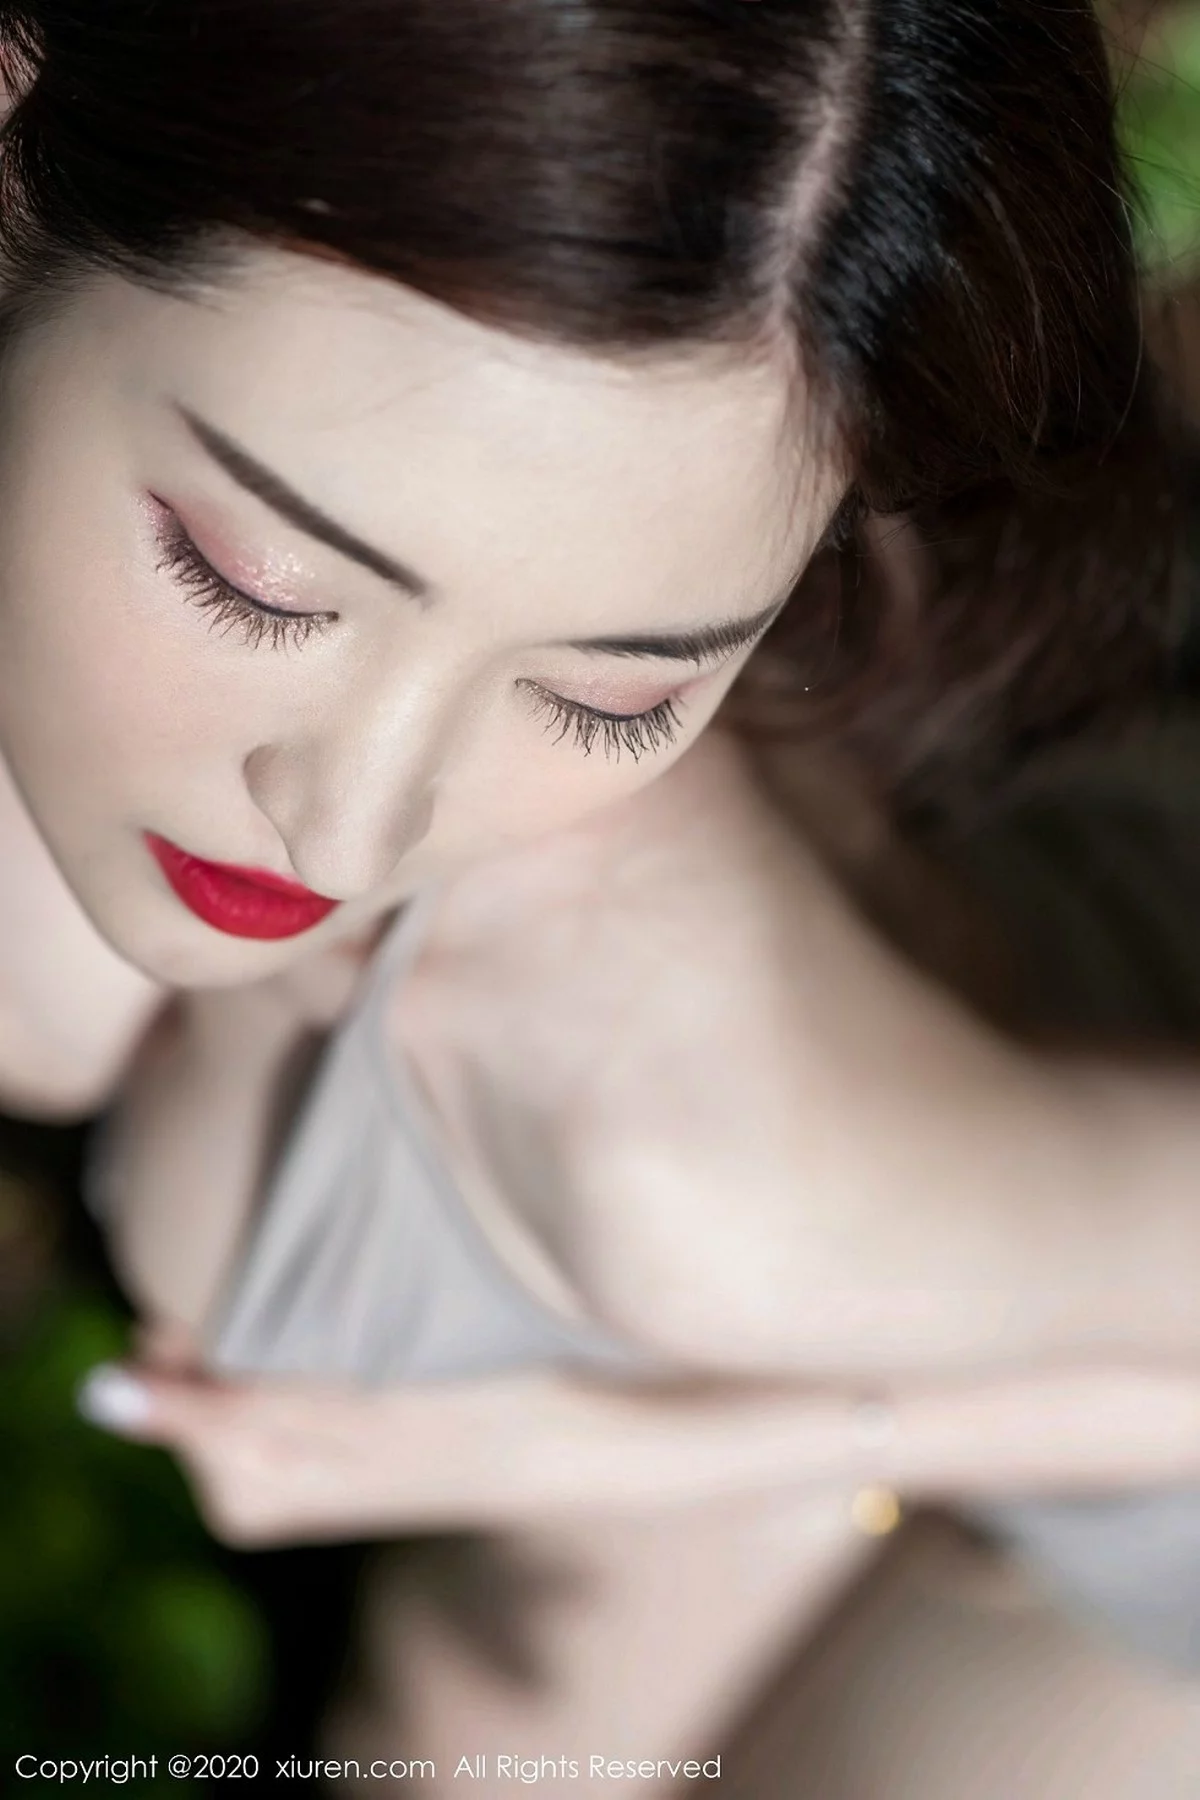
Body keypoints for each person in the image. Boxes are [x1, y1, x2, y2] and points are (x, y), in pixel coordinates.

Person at [0, 0, 1189, 1786]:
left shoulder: (688, 1145)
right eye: (254, 582)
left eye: (612, 693)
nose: (345, 834)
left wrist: (626, 1449)